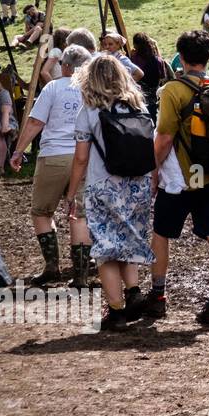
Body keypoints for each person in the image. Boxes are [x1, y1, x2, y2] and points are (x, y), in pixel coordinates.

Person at [148, 31, 209, 325]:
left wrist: (153, 171)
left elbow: (164, 137)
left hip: (181, 179)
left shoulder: (173, 90)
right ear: (208, 56)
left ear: (181, 57)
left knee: (162, 233)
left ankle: (158, 296)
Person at [65, 55, 156, 332]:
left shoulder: (89, 111)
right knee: (128, 241)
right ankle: (133, 293)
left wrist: (71, 193)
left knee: (106, 249)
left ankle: (115, 311)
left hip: (103, 185)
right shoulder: (139, 105)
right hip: (138, 183)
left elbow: (81, 158)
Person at [8, 45, 95, 286]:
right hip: (85, 156)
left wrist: (18, 150)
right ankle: (80, 276)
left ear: (65, 65)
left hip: (54, 155)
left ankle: (52, 266)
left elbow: (36, 122)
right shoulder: (92, 89)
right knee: (79, 216)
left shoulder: (53, 87)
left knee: (41, 212)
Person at [130, 32, 170, 120]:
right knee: (153, 116)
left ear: (135, 45)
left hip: (139, 95)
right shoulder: (158, 60)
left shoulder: (134, 59)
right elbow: (163, 76)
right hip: (154, 94)